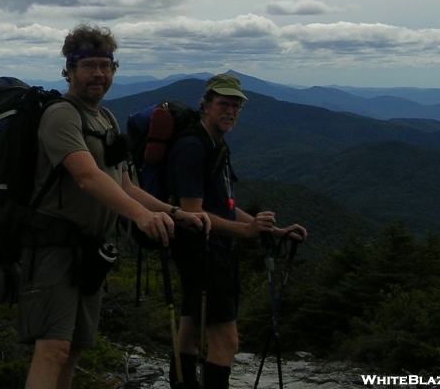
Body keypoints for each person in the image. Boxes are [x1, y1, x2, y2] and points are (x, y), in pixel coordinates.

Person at [19, 24, 211, 389]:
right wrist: (141, 217)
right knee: (54, 348)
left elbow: (125, 185)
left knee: (72, 348)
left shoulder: (104, 118)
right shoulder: (61, 115)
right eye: (88, 65)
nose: (99, 74)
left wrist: (173, 213)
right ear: (69, 70)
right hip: (53, 247)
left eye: (106, 66)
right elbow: (87, 177)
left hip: (89, 251)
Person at [167, 73, 308, 389]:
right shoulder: (193, 146)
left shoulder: (215, 143)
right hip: (204, 252)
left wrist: (271, 231)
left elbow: (225, 206)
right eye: (223, 104)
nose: (230, 111)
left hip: (207, 251)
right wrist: (246, 232)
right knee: (227, 342)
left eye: (235, 106)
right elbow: (192, 214)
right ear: (206, 105)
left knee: (190, 333)